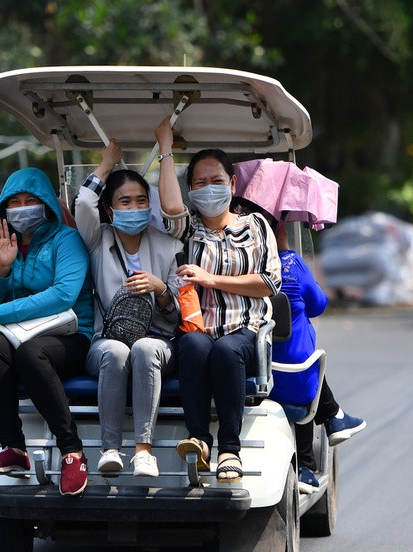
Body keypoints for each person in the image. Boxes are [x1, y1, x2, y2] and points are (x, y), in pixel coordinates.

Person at [154, 117, 282, 483]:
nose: (208, 189)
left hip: (244, 330)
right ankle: (198, 439)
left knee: (226, 350)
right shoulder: (186, 229)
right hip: (198, 325)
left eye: (217, 181)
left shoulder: (256, 226)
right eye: (200, 183)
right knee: (193, 345)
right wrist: (164, 146)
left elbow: (269, 283)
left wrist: (212, 279)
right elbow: (170, 207)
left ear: (232, 183)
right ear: (190, 188)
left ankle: (230, 448)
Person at [0, 167, 94, 497]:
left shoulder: (66, 240)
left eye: (31, 201)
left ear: (46, 205)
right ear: (4, 210)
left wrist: (2, 314)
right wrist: (1, 268)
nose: (23, 208)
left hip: (70, 335)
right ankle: (14, 448)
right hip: (20, 335)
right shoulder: (2, 245)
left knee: (31, 353)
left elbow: (63, 295)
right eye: (15, 203)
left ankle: (72, 451)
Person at [231, 198, 366, 493]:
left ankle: (333, 418)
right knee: (308, 359)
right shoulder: (289, 264)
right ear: (277, 229)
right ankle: (312, 454)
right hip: (291, 378)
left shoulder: (227, 268)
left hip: (244, 379)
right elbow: (318, 305)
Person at [74, 150, 183, 478]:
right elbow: (82, 204)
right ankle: (110, 449)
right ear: (109, 208)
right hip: (105, 342)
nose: (134, 208)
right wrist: (108, 161)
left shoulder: (170, 247)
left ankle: (143, 450)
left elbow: (177, 316)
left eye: (141, 201)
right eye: (125, 202)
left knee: (144, 347)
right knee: (117, 350)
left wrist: (160, 288)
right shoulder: (98, 240)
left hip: (159, 344)